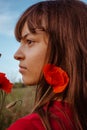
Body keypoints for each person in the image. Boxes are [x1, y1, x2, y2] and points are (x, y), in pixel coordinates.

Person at [7, 0, 87, 130]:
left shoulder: (29, 126)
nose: (16, 55)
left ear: (66, 48)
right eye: (20, 42)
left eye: (29, 41)